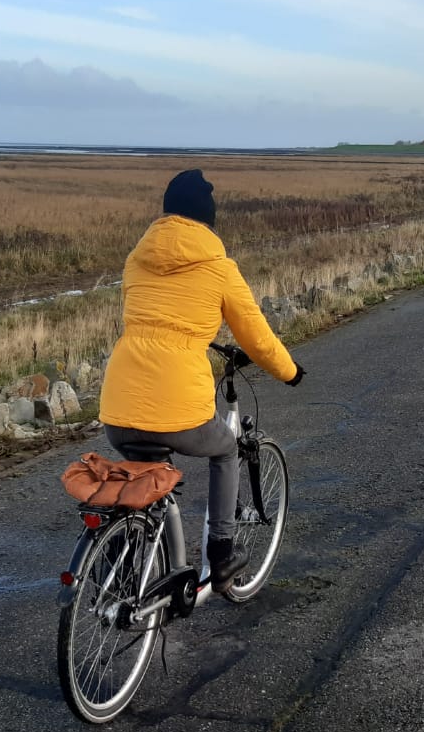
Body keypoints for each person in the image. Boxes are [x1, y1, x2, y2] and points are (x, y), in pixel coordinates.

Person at [99, 169, 305, 591]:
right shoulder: (219, 269)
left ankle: (126, 565)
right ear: (208, 219)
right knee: (227, 449)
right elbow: (257, 336)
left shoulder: (137, 260)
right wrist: (290, 372)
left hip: (118, 407)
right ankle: (222, 552)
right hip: (177, 410)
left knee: (150, 468)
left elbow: (155, 319)